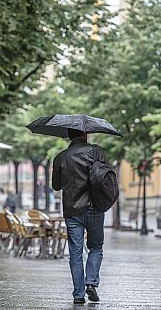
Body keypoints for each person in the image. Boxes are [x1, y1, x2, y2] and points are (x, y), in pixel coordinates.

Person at [52, 128, 106, 304]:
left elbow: (56, 186)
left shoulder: (60, 157)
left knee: (75, 253)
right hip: (94, 208)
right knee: (96, 247)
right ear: (85, 135)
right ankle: (91, 283)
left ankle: (78, 295)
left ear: (69, 136)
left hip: (72, 210)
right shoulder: (96, 151)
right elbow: (105, 176)